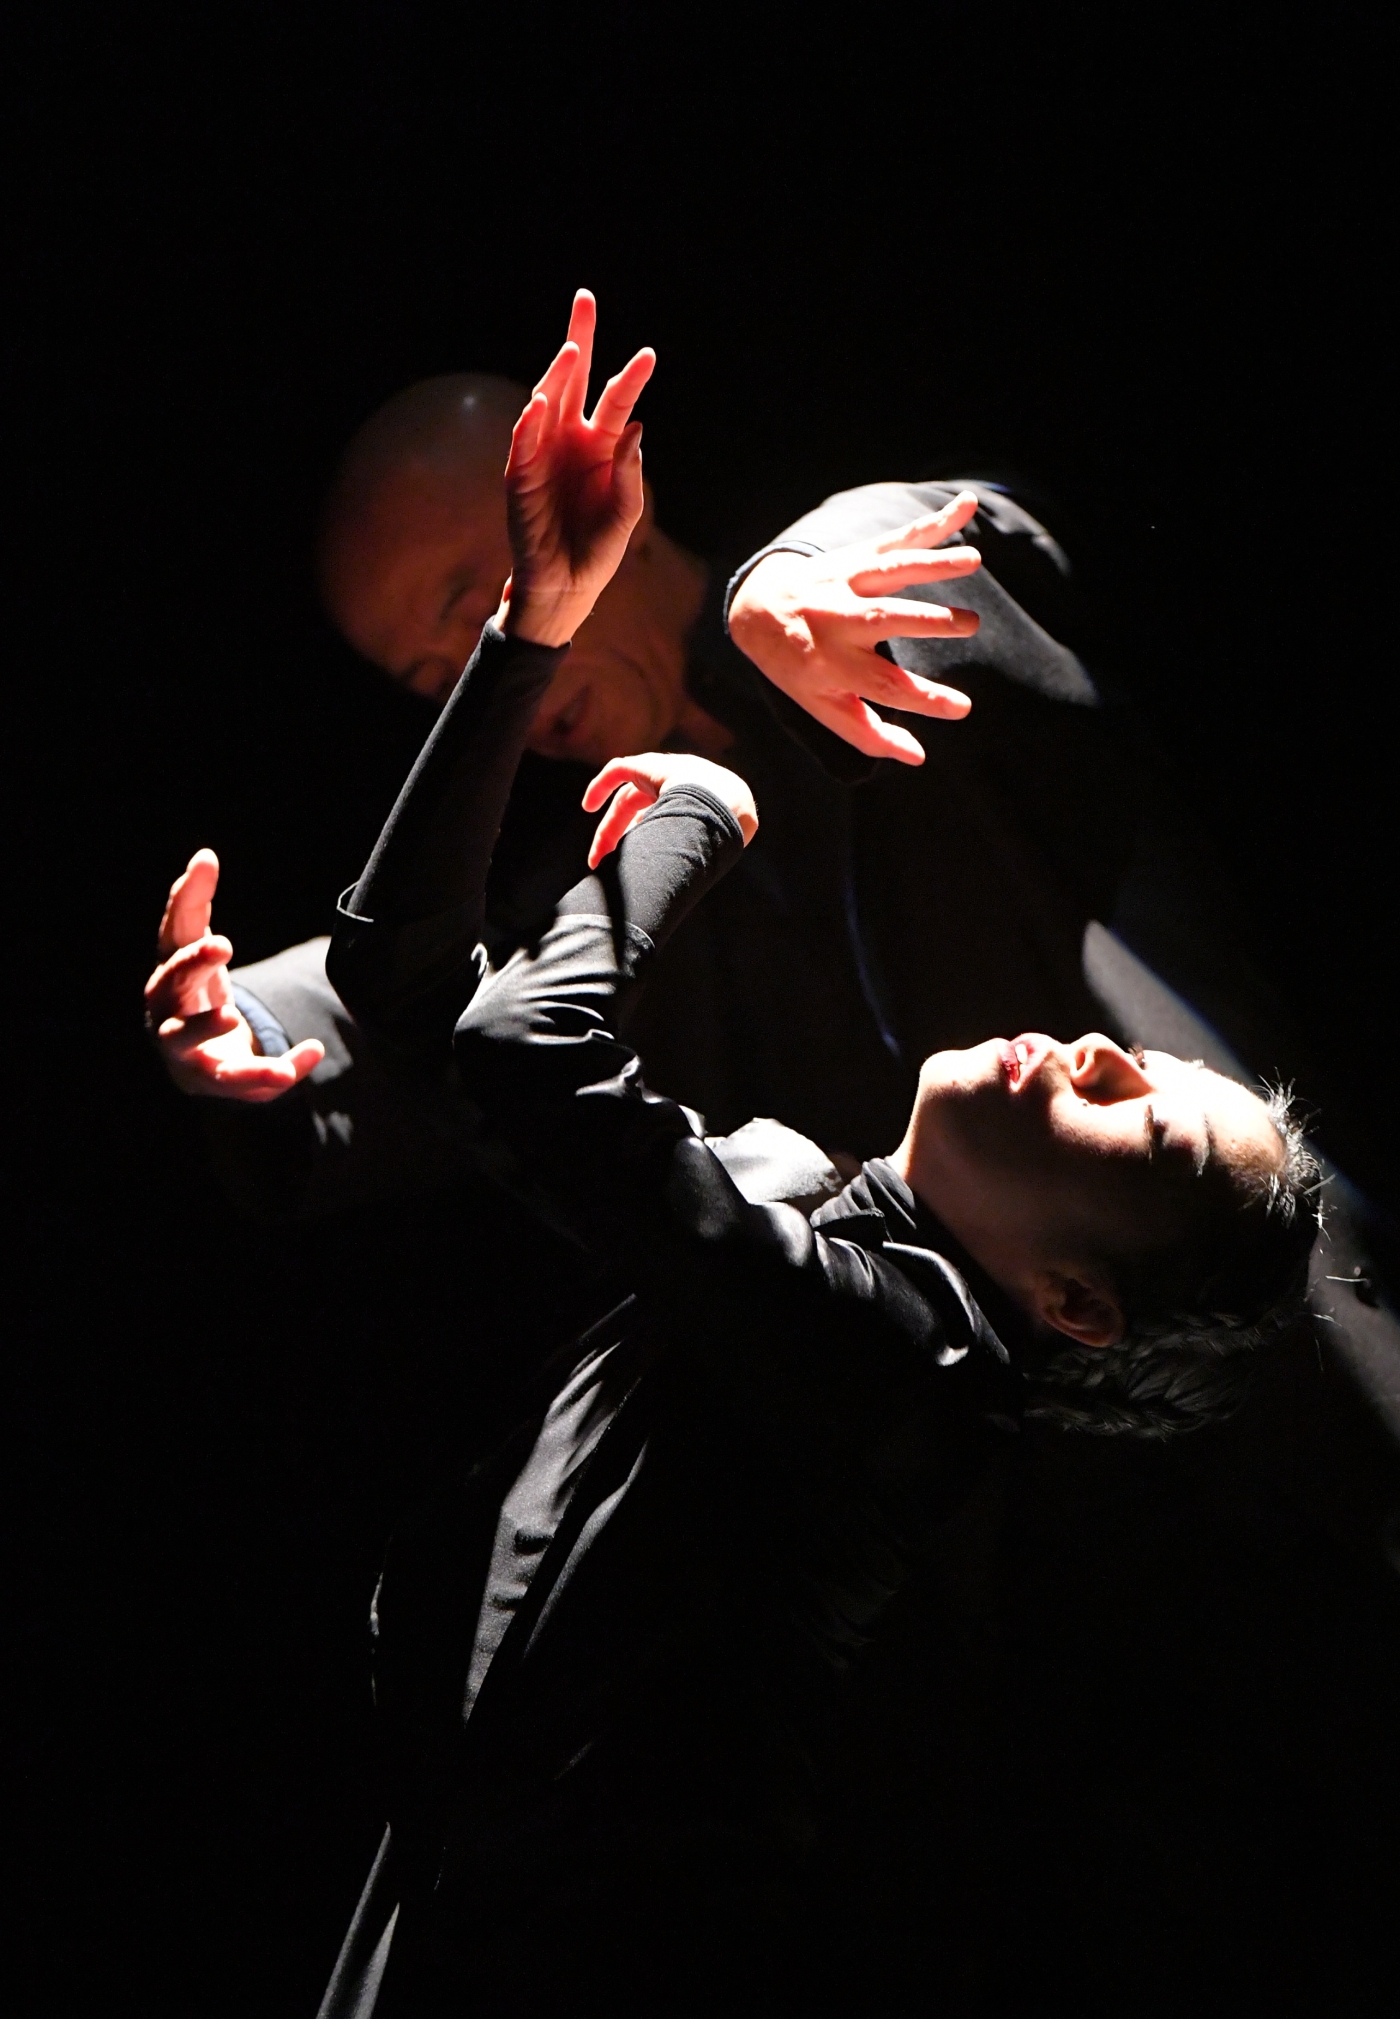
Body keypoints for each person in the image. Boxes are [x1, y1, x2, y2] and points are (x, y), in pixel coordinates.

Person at [313, 307, 1321, 2016]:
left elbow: (514, 1048)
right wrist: (527, 626)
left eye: (1136, 1108)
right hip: (460, 1892)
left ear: (1076, 1302)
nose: (1089, 1048)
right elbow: (415, 1001)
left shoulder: (900, 1367)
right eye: (1137, 1062)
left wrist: (695, 810)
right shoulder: (801, 1200)